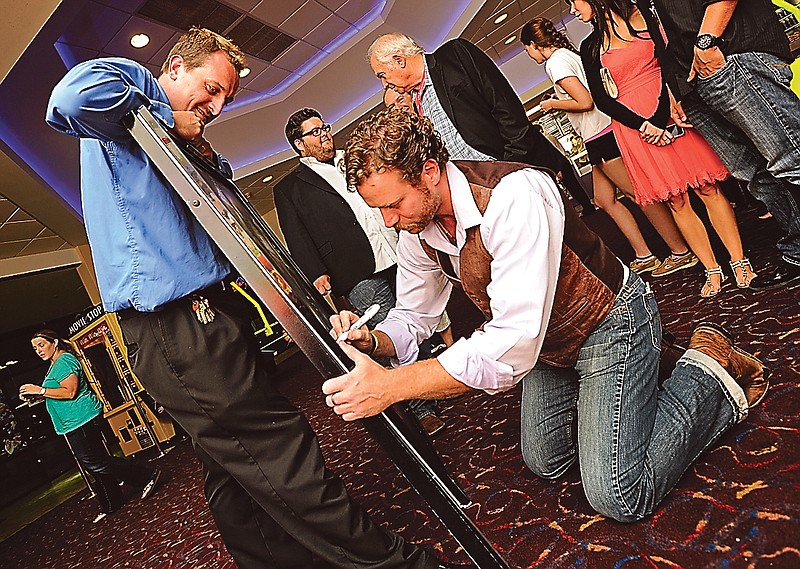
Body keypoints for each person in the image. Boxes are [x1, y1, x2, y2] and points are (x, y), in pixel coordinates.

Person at [46, 27, 460, 569]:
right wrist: (168, 116)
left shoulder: (178, 143)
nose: (215, 106)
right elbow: (68, 99)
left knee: (234, 476)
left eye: (225, 98)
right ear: (175, 67)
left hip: (212, 313)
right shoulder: (131, 86)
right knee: (282, 451)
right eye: (210, 88)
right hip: (175, 323)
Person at [322, 107, 769, 523]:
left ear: (429, 173)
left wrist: (392, 387)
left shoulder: (514, 195)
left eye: (392, 204)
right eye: (377, 209)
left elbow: (512, 341)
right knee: (547, 461)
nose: (388, 221)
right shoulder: (416, 230)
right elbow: (412, 317)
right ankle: (643, 383)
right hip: (548, 345)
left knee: (619, 494)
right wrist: (372, 342)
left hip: (609, 322)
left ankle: (706, 369)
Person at [275, 107, 444, 435]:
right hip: (353, 267)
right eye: (315, 132)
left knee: (414, 316)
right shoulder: (291, 188)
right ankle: (420, 407)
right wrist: (315, 271)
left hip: (395, 249)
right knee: (384, 330)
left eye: (324, 127)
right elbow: (296, 235)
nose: (324, 134)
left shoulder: (352, 158)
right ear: (299, 145)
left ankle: (428, 382)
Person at [572, 0, 754, 297]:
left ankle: (738, 260)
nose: (572, 10)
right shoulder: (589, 44)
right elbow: (602, 99)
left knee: (707, 188)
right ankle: (711, 267)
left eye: (573, 2)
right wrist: (644, 125)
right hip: (633, 127)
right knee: (676, 201)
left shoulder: (643, 15)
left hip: (669, 105)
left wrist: (659, 118)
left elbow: (670, 61)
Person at [637, 0, 800, 291]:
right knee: (754, 175)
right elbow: (665, 30)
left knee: (790, 157)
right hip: (691, 80)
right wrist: (674, 90)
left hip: (732, 53)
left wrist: (706, 43)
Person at [520, 17, 698, 277]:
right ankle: (644, 254)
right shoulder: (568, 54)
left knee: (640, 195)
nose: (527, 53)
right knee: (604, 200)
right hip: (598, 135)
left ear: (535, 45)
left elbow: (585, 102)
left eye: (526, 49)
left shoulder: (555, 63)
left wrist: (551, 104)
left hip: (600, 134)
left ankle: (680, 251)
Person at [367, 32, 598, 217]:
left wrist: (510, 165)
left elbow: (505, 105)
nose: (384, 83)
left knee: (566, 246)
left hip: (511, 171)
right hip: (477, 196)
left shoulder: (454, 55)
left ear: (399, 60)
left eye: (382, 75)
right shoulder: (413, 105)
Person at [20, 330, 160, 523]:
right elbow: (55, 392)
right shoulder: (55, 364)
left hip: (82, 418)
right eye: (35, 348)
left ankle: (147, 475)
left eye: (41, 345)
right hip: (72, 422)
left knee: (94, 462)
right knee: (95, 463)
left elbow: (70, 392)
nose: (38, 350)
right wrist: (36, 395)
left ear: (54, 342)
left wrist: (41, 390)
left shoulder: (64, 360)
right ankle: (111, 503)